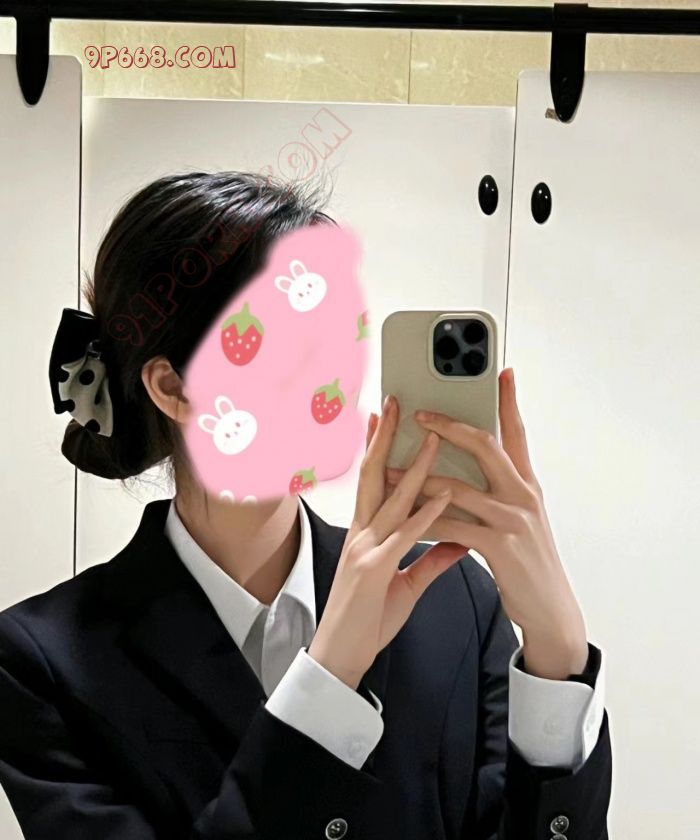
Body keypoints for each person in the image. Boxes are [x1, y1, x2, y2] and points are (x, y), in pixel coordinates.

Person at [0, 170, 612, 840]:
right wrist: (329, 676)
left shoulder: (455, 599)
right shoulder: (44, 661)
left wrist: (557, 653)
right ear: (173, 387)